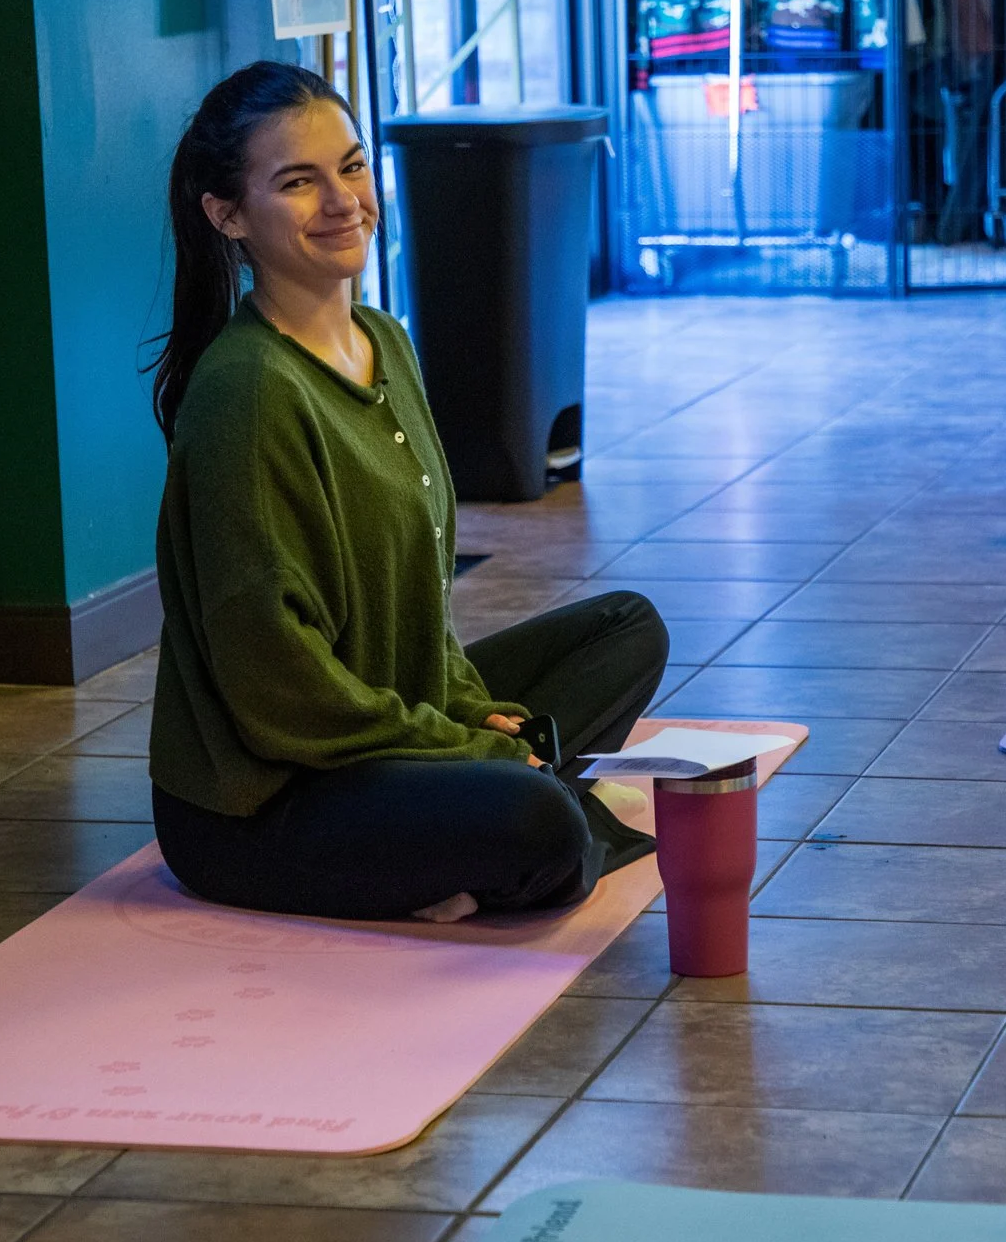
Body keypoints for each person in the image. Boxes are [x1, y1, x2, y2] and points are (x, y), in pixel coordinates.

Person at [145, 60, 667, 923]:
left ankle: (467, 838)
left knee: (627, 629)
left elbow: (423, 613)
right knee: (536, 817)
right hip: (267, 796)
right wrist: (469, 747)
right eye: (298, 182)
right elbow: (277, 689)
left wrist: (469, 716)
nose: (343, 200)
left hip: (380, 721)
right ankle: (508, 825)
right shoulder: (248, 391)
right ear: (227, 214)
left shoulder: (384, 339)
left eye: (350, 166)